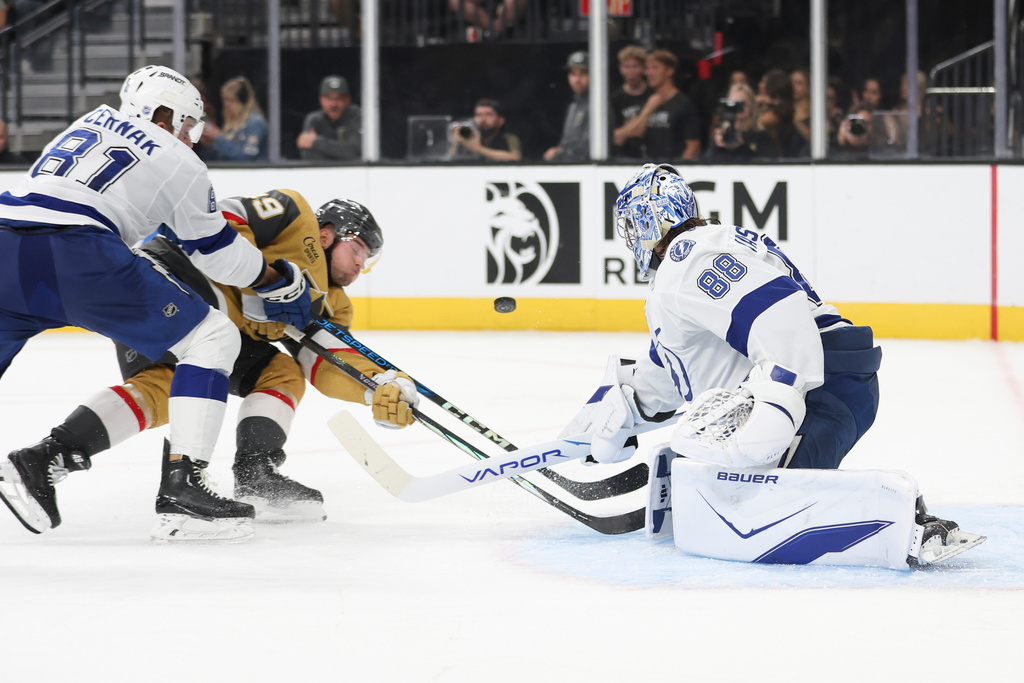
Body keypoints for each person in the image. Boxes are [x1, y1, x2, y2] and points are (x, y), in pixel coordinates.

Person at [562, 163, 985, 568]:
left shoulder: (689, 256)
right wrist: (624, 405)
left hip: (820, 384)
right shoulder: (696, 258)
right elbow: (681, 361)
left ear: (650, 222)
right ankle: (886, 510)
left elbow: (777, 313)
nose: (630, 237)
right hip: (826, 379)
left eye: (632, 226)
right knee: (723, 491)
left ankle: (902, 520)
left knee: (747, 510)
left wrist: (774, 403)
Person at [0, 65, 312, 542]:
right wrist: (276, 281)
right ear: (164, 115)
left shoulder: (86, 122)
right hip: (76, 251)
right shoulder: (177, 158)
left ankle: (40, 462)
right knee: (213, 336)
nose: (190, 137)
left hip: (5, 241)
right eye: (188, 124)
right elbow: (220, 254)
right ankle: (184, 487)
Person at [15, 190, 420, 533]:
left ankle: (254, 474)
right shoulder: (293, 214)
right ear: (328, 234)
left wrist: (377, 387)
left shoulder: (334, 306)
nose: (360, 266)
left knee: (279, 374)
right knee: (194, 362)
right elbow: (213, 221)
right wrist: (258, 286)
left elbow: (327, 362)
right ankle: (174, 484)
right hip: (166, 280)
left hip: (216, 332)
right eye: (359, 250)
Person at [615, 49, 702, 161]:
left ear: (670, 71)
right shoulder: (648, 102)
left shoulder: (683, 103)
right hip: (650, 168)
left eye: (655, 68)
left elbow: (693, 145)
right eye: (647, 68)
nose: (649, 73)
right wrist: (648, 110)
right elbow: (633, 133)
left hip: (673, 168)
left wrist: (679, 172)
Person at [200, 75, 269, 162]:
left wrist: (219, 138)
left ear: (242, 100)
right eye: (224, 100)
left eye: (230, 100)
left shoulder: (255, 123)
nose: (226, 105)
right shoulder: (232, 123)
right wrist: (211, 144)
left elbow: (247, 158)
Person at [296, 75, 362, 162]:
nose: (333, 104)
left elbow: (355, 152)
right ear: (321, 100)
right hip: (322, 173)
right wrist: (339, 150)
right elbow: (308, 154)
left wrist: (316, 142)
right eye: (328, 98)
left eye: (338, 98)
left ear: (348, 100)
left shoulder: (358, 116)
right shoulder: (314, 120)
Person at [544, 51, 590, 162]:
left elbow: (589, 146)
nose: (577, 79)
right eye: (573, 73)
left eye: (582, 73)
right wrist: (559, 152)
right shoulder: (573, 105)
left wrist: (558, 155)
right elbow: (567, 141)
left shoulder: (597, 106)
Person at [610, 45, 651, 160]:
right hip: (625, 158)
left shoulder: (653, 95)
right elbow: (616, 138)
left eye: (635, 66)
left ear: (644, 69)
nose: (631, 71)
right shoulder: (615, 99)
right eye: (626, 67)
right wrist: (633, 125)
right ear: (620, 69)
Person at [448, 98, 522, 162]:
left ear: (501, 121)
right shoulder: (467, 137)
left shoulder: (508, 138)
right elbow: (448, 158)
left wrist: (478, 149)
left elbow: (515, 158)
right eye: (479, 115)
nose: (483, 120)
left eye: (489, 114)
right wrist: (455, 144)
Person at [790, 67, 811, 142]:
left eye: (799, 83)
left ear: (808, 87)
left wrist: (794, 120)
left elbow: (814, 139)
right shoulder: (784, 108)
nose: (794, 87)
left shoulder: (815, 111)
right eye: (791, 83)